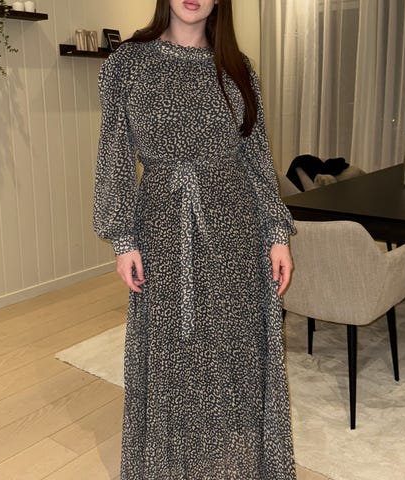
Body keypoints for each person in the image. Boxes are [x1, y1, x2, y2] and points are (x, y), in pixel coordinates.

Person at [93, 0, 297, 478]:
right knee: (173, 355)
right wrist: (122, 238)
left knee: (232, 355)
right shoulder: (128, 63)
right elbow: (114, 154)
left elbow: (256, 158)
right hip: (162, 230)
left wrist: (276, 232)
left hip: (237, 232)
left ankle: (232, 465)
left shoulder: (238, 69)